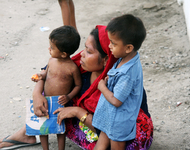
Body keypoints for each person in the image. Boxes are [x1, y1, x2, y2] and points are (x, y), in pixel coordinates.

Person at [0, 1, 153, 150]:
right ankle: (28, 133)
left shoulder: (115, 81)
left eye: (89, 51)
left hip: (125, 129)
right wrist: (36, 93)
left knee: (121, 143)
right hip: (99, 123)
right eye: (85, 48)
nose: (82, 55)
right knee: (57, 86)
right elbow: (48, 72)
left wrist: (76, 111)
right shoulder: (81, 66)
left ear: (106, 59)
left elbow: (111, 123)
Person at [92, 14, 146, 150]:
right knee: (102, 142)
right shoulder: (127, 57)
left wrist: (102, 87)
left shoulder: (127, 73)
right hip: (111, 116)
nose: (109, 46)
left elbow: (117, 101)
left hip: (119, 122)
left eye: (113, 43)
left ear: (128, 48)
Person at [31, 25, 82, 150]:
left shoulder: (72, 68)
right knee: (43, 127)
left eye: (52, 47)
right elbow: (46, 73)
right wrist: (39, 76)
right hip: (45, 99)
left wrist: (69, 96)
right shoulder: (51, 60)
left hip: (60, 102)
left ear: (64, 54)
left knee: (60, 128)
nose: (49, 48)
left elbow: (78, 85)